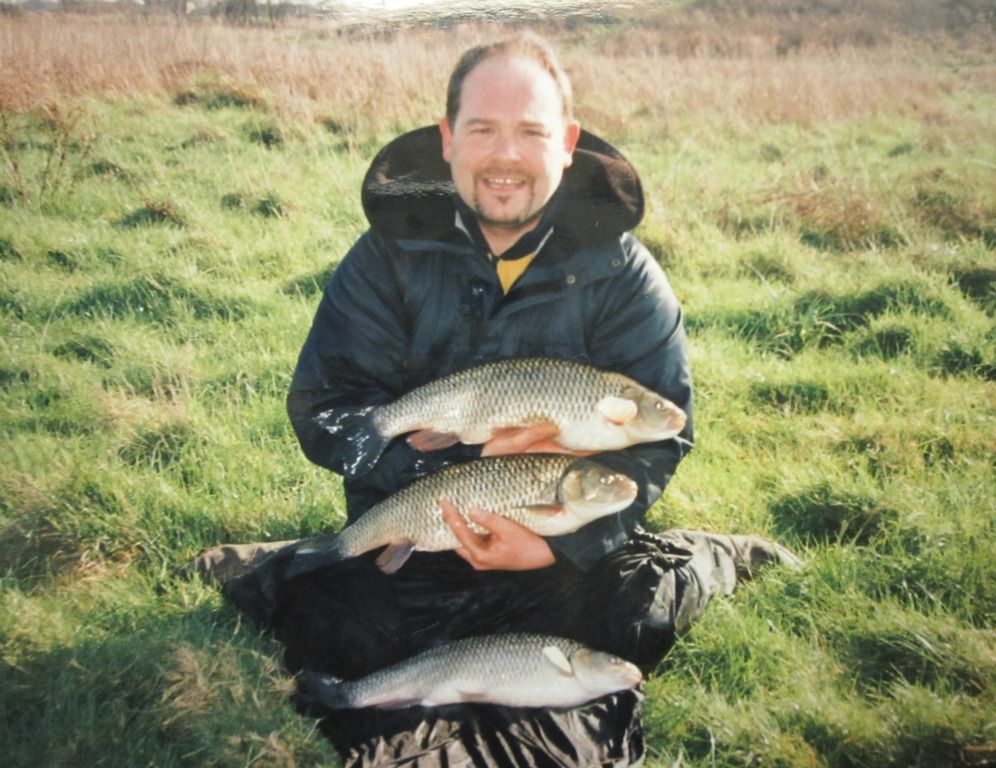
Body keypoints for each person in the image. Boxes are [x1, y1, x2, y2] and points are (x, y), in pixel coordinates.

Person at [194, 33, 798, 766]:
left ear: (568, 143)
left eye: (531, 132)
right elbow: (328, 410)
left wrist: (550, 543)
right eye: (482, 129)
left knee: (630, 619)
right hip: (412, 527)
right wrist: (451, 488)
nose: (505, 155)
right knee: (342, 630)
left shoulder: (627, 278)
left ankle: (707, 555)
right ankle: (295, 562)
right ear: (447, 141)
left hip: (554, 537)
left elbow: (660, 441)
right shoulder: (385, 256)